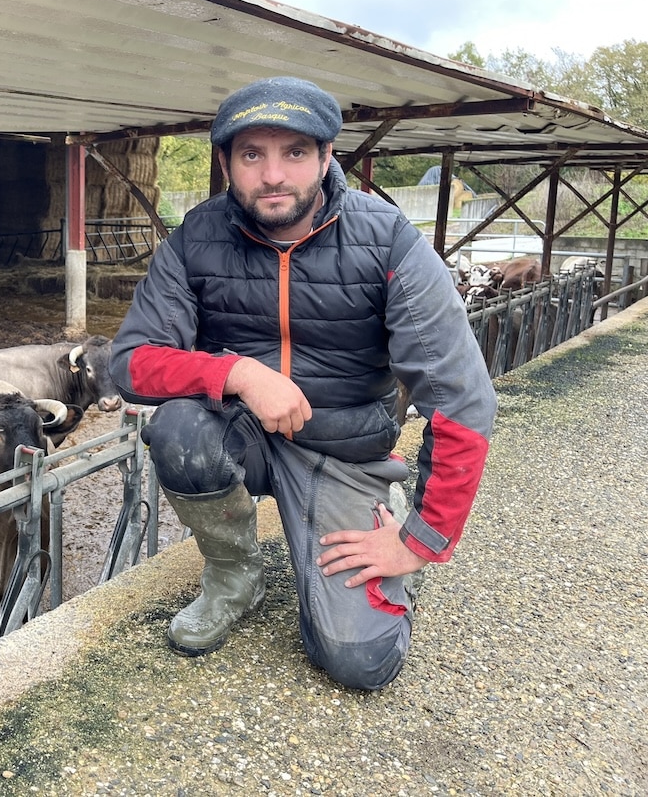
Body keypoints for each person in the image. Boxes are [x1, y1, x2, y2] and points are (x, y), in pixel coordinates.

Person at [110, 76, 496, 691]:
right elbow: (130, 362)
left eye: (294, 152)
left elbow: (461, 399)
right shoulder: (196, 238)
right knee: (178, 430)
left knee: (359, 663)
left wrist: (422, 540)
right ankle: (235, 575)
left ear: (325, 157)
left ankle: (381, 512)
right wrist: (236, 371)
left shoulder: (388, 239)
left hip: (344, 447)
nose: (273, 176)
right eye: (252, 155)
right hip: (248, 433)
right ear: (226, 163)